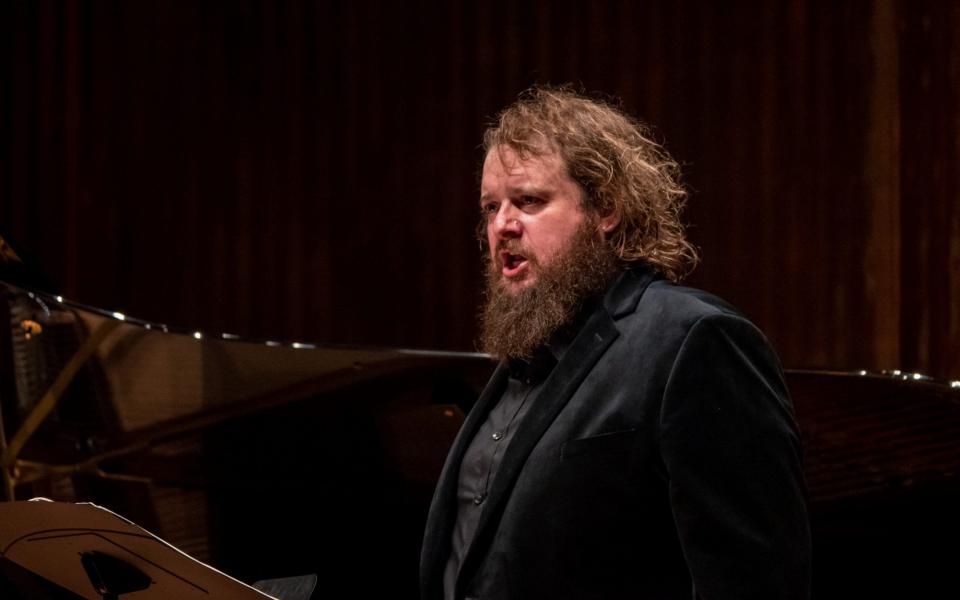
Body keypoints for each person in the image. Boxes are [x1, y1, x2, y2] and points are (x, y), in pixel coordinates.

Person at [420, 86, 811, 600]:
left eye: (529, 201)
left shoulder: (692, 340)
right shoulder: (525, 355)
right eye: (490, 207)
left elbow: (756, 583)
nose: (501, 226)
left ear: (606, 209)